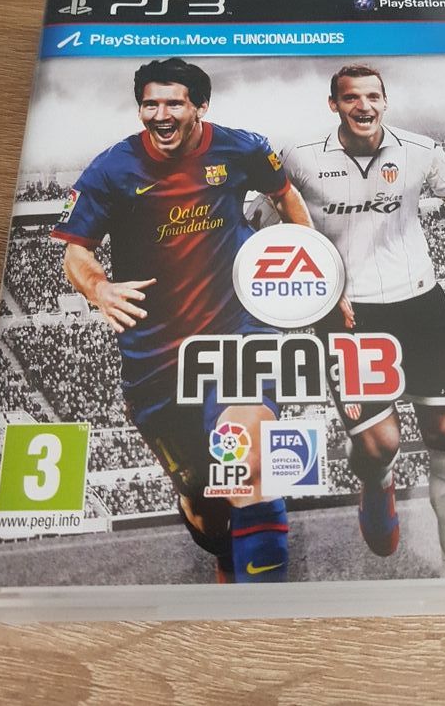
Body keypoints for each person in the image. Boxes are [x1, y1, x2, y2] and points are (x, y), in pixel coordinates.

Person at [52, 58, 311, 583]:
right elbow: (75, 250)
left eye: (174, 103)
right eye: (150, 104)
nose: (161, 114)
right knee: (205, 508)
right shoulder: (111, 169)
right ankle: (224, 553)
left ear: (200, 107)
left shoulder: (241, 148)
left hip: (236, 333)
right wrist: (99, 288)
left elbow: (284, 194)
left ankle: (268, 616)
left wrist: (311, 265)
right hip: (156, 360)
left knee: (247, 463)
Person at [281, 64, 445, 574]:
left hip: (418, 303)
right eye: (351, 97)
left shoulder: (419, 150)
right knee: (380, 445)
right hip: (347, 311)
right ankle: (376, 482)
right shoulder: (300, 159)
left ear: (385, 101)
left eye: (373, 96)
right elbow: (270, 216)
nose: (363, 106)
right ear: (334, 104)